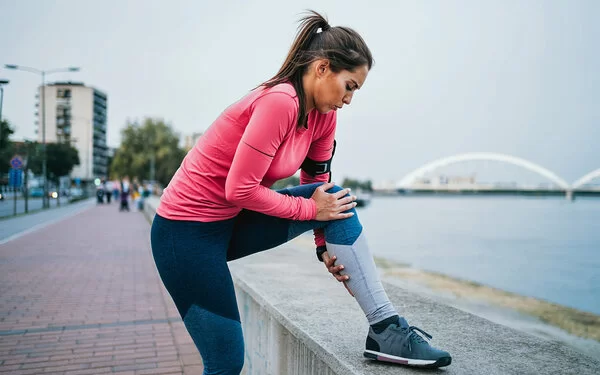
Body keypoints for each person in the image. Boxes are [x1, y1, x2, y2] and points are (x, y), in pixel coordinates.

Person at [150, 11, 451, 374]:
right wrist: (311, 213)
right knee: (227, 361)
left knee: (337, 200)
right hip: (184, 235)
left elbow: (319, 185)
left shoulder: (324, 115)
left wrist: (323, 244)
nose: (350, 99)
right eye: (350, 86)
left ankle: (385, 330)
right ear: (323, 68)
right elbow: (239, 189)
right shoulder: (280, 102)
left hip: (230, 223)